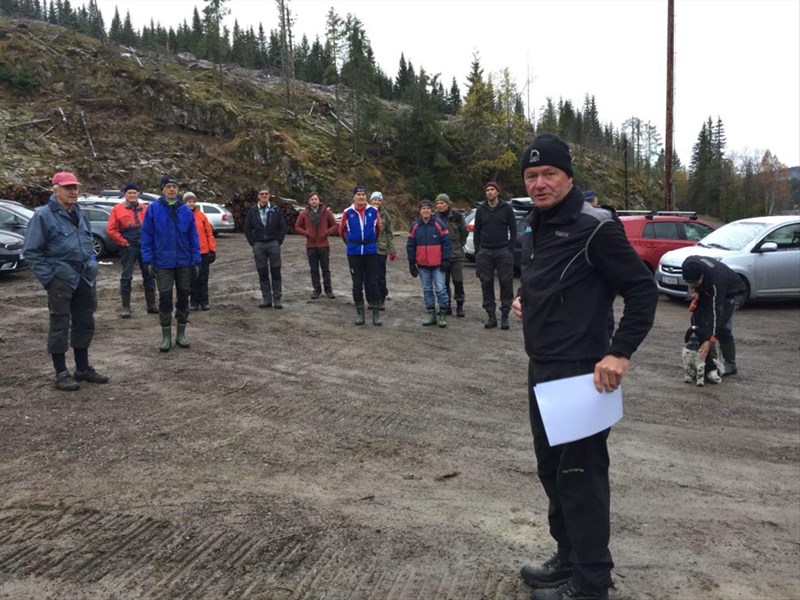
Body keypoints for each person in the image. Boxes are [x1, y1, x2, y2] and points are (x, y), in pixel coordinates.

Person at [513, 134, 658, 600]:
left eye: (549, 174)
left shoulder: (596, 226)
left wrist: (620, 352)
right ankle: (569, 557)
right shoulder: (536, 223)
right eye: (532, 176)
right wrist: (526, 299)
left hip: (583, 376)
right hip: (543, 370)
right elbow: (559, 282)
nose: (540, 183)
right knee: (551, 472)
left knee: (581, 479)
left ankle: (592, 582)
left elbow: (642, 290)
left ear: (569, 176)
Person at [22, 171, 109, 391]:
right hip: (60, 278)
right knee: (60, 324)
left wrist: (92, 263)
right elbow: (32, 252)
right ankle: (61, 373)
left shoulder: (78, 212)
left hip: (85, 277)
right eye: (68, 188)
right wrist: (49, 278)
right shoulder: (43, 215)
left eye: (75, 188)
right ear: (55, 190)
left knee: (84, 322)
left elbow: (87, 241)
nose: (73, 192)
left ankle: (82, 368)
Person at [141, 173, 201, 352]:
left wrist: (196, 260)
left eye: (175, 186)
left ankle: (181, 334)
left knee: (183, 297)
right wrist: (148, 260)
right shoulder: (153, 209)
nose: (172, 189)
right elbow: (147, 236)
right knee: (165, 298)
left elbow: (193, 237)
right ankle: (166, 336)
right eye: (168, 186)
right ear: (162, 190)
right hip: (163, 261)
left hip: (183, 261)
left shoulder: (185, 210)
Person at [681, 255, 746, 376]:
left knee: (722, 327)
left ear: (702, 276)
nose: (693, 285)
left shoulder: (717, 280)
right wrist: (696, 290)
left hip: (732, 293)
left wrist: (710, 339)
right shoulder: (689, 263)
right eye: (690, 283)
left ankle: (730, 364)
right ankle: (711, 361)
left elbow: (716, 311)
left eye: (695, 283)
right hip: (708, 291)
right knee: (698, 320)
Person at [106, 182, 157, 317]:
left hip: (145, 246)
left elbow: (153, 226)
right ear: (125, 195)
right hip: (128, 247)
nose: (132, 195)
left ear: (138, 194)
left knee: (150, 275)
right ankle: (126, 307)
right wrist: (124, 242)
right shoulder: (117, 209)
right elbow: (111, 230)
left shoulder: (145, 208)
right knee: (126, 276)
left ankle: (151, 305)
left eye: (134, 192)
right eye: (130, 193)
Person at [474, 180, 517, 329]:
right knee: (486, 283)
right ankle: (491, 316)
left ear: (497, 192)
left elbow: (514, 230)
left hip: (502, 250)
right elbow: (477, 232)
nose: (490, 192)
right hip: (485, 251)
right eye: (487, 190)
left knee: (506, 282)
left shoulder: (506, 208)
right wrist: (478, 251)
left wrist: (510, 250)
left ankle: (505, 316)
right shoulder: (481, 210)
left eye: (492, 189)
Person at [339, 183, 382, 326]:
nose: (361, 197)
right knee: (357, 283)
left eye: (363, 194)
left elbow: (378, 229)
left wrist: (369, 241)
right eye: (358, 194)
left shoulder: (374, 211)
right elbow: (342, 231)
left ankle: (375, 313)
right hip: (354, 252)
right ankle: (360, 314)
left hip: (370, 251)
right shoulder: (347, 212)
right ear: (354, 197)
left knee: (373, 282)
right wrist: (352, 242)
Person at [407, 199, 452, 327]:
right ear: (419, 211)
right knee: (427, 290)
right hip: (422, 265)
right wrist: (411, 262)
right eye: (423, 208)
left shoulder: (439, 224)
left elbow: (447, 243)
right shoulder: (415, 226)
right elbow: (410, 245)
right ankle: (431, 314)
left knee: (440, 289)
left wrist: (445, 260)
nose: (425, 210)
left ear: (431, 210)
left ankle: (442, 315)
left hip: (438, 264)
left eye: (428, 208)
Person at [244, 184, 287, 309]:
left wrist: (279, 241)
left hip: (273, 243)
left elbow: (282, 226)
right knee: (262, 272)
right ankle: (266, 299)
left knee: (276, 272)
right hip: (259, 245)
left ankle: (277, 299)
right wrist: (253, 242)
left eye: (266, 194)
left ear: (269, 196)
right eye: (262, 194)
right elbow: (247, 228)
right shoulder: (252, 211)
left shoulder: (276, 209)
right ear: (258, 196)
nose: (264, 196)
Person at [294, 191, 338, 299]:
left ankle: (328, 290)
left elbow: (334, 225)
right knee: (314, 269)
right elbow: (297, 226)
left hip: (324, 245)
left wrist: (327, 232)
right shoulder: (304, 213)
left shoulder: (326, 212)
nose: (314, 201)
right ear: (309, 201)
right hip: (311, 245)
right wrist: (306, 233)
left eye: (316, 199)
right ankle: (316, 289)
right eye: (312, 199)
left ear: (319, 200)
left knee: (326, 269)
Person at [435, 193, 468, 317]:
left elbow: (464, 233)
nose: (439, 205)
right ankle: (446, 306)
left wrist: (459, 246)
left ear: (448, 204)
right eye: (437, 203)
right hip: (441, 255)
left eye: (442, 203)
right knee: (443, 283)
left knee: (458, 281)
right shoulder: (435, 217)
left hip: (456, 255)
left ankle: (460, 306)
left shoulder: (457, 216)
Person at [184, 191, 216, 311]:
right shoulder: (182, 216)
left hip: (203, 252)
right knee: (192, 278)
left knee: (203, 277)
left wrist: (212, 249)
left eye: (193, 201)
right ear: (185, 203)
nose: (191, 204)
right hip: (189, 253)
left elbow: (209, 233)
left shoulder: (202, 216)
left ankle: (204, 301)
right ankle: (193, 302)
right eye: (189, 202)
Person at [370, 191, 398, 310]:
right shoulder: (366, 213)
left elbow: (389, 234)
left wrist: (392, 251)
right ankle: (372, 299)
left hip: (381, 250)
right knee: (370, 276)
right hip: (368, 249)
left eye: (378, 200)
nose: (376, 202)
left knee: (380, 275)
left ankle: (381, 298)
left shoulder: (385, 215)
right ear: (370, 201)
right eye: (374, 200)